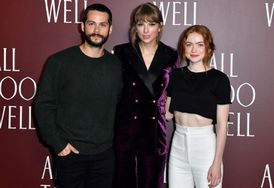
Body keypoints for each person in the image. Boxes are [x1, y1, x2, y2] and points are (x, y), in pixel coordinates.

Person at [33, 3, 122, 188]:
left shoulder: (116, 65)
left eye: (102, 24)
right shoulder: (59, 62)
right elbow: (43, 105)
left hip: (104, 157)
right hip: (70, 155)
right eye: (91, 23)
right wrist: (58, 144)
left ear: (110, 29)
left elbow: (122, 107)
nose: (96, 30)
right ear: (82, 26)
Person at [113, 2, 178, 188]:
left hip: (154, 131)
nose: (146, 30)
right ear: (135, 27)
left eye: (151, 24)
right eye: (141, 24)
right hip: (126, 129)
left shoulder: (171, 55)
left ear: (160, 27)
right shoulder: (122, 52)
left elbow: (175, 90)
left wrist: (170, 110)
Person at [166, 25, 231, 188]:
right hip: (178, 146)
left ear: (208, 47)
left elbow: (222, 125)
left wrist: (216, 163)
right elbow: (167, 114)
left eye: (200, 44)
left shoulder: (219, 79)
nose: (194, 49)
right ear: (183, 47)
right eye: (189, 44)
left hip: (205, 147)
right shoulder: (174, 75)